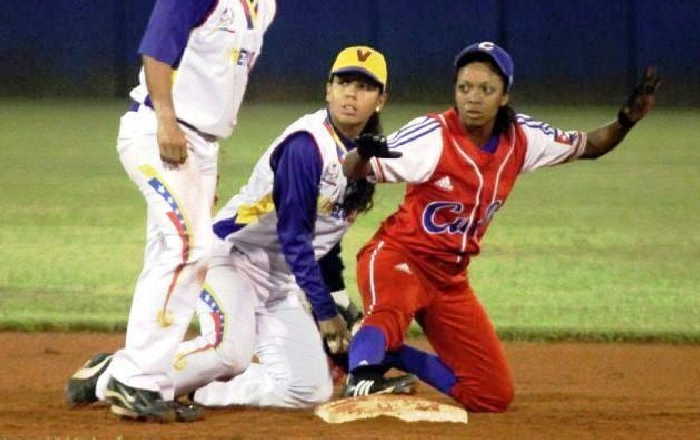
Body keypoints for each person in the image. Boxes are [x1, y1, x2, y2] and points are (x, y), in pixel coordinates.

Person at [66, 46, 414, 412]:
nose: (351, 94)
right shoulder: (307, 146)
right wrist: (325, 310)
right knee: (227, 353)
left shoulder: (363, 155)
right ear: (328, 89)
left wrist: (337, 296)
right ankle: (116, 374)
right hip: (231, 260)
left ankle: (204, 390)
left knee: (308, 390)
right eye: (343, 82)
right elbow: (294, 235)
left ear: (380, 100)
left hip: (281, 283)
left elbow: (325, 235)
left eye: (364, 86)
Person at [341, 41, 660, 412]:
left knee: (491, 395)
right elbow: (354, 169)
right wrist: (362, 152)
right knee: (388, 313)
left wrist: (626, 121)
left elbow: (590, 145)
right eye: (464, 88)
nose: (472, 98)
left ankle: (393, 353)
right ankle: (361, 374)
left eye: (485, 89)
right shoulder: (430, 135)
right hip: (401, 257)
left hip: (449, 280)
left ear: (504, 95)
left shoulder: (522, 138)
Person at [64, 0, 276, 423]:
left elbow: (219, 77)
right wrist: (167, 120)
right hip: (161, 131)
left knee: (170, 253)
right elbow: (158, 51)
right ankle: (136, 379)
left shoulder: (265, 4)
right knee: (188, 251)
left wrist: (205, 167)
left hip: (202, 144)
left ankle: (132, 374)